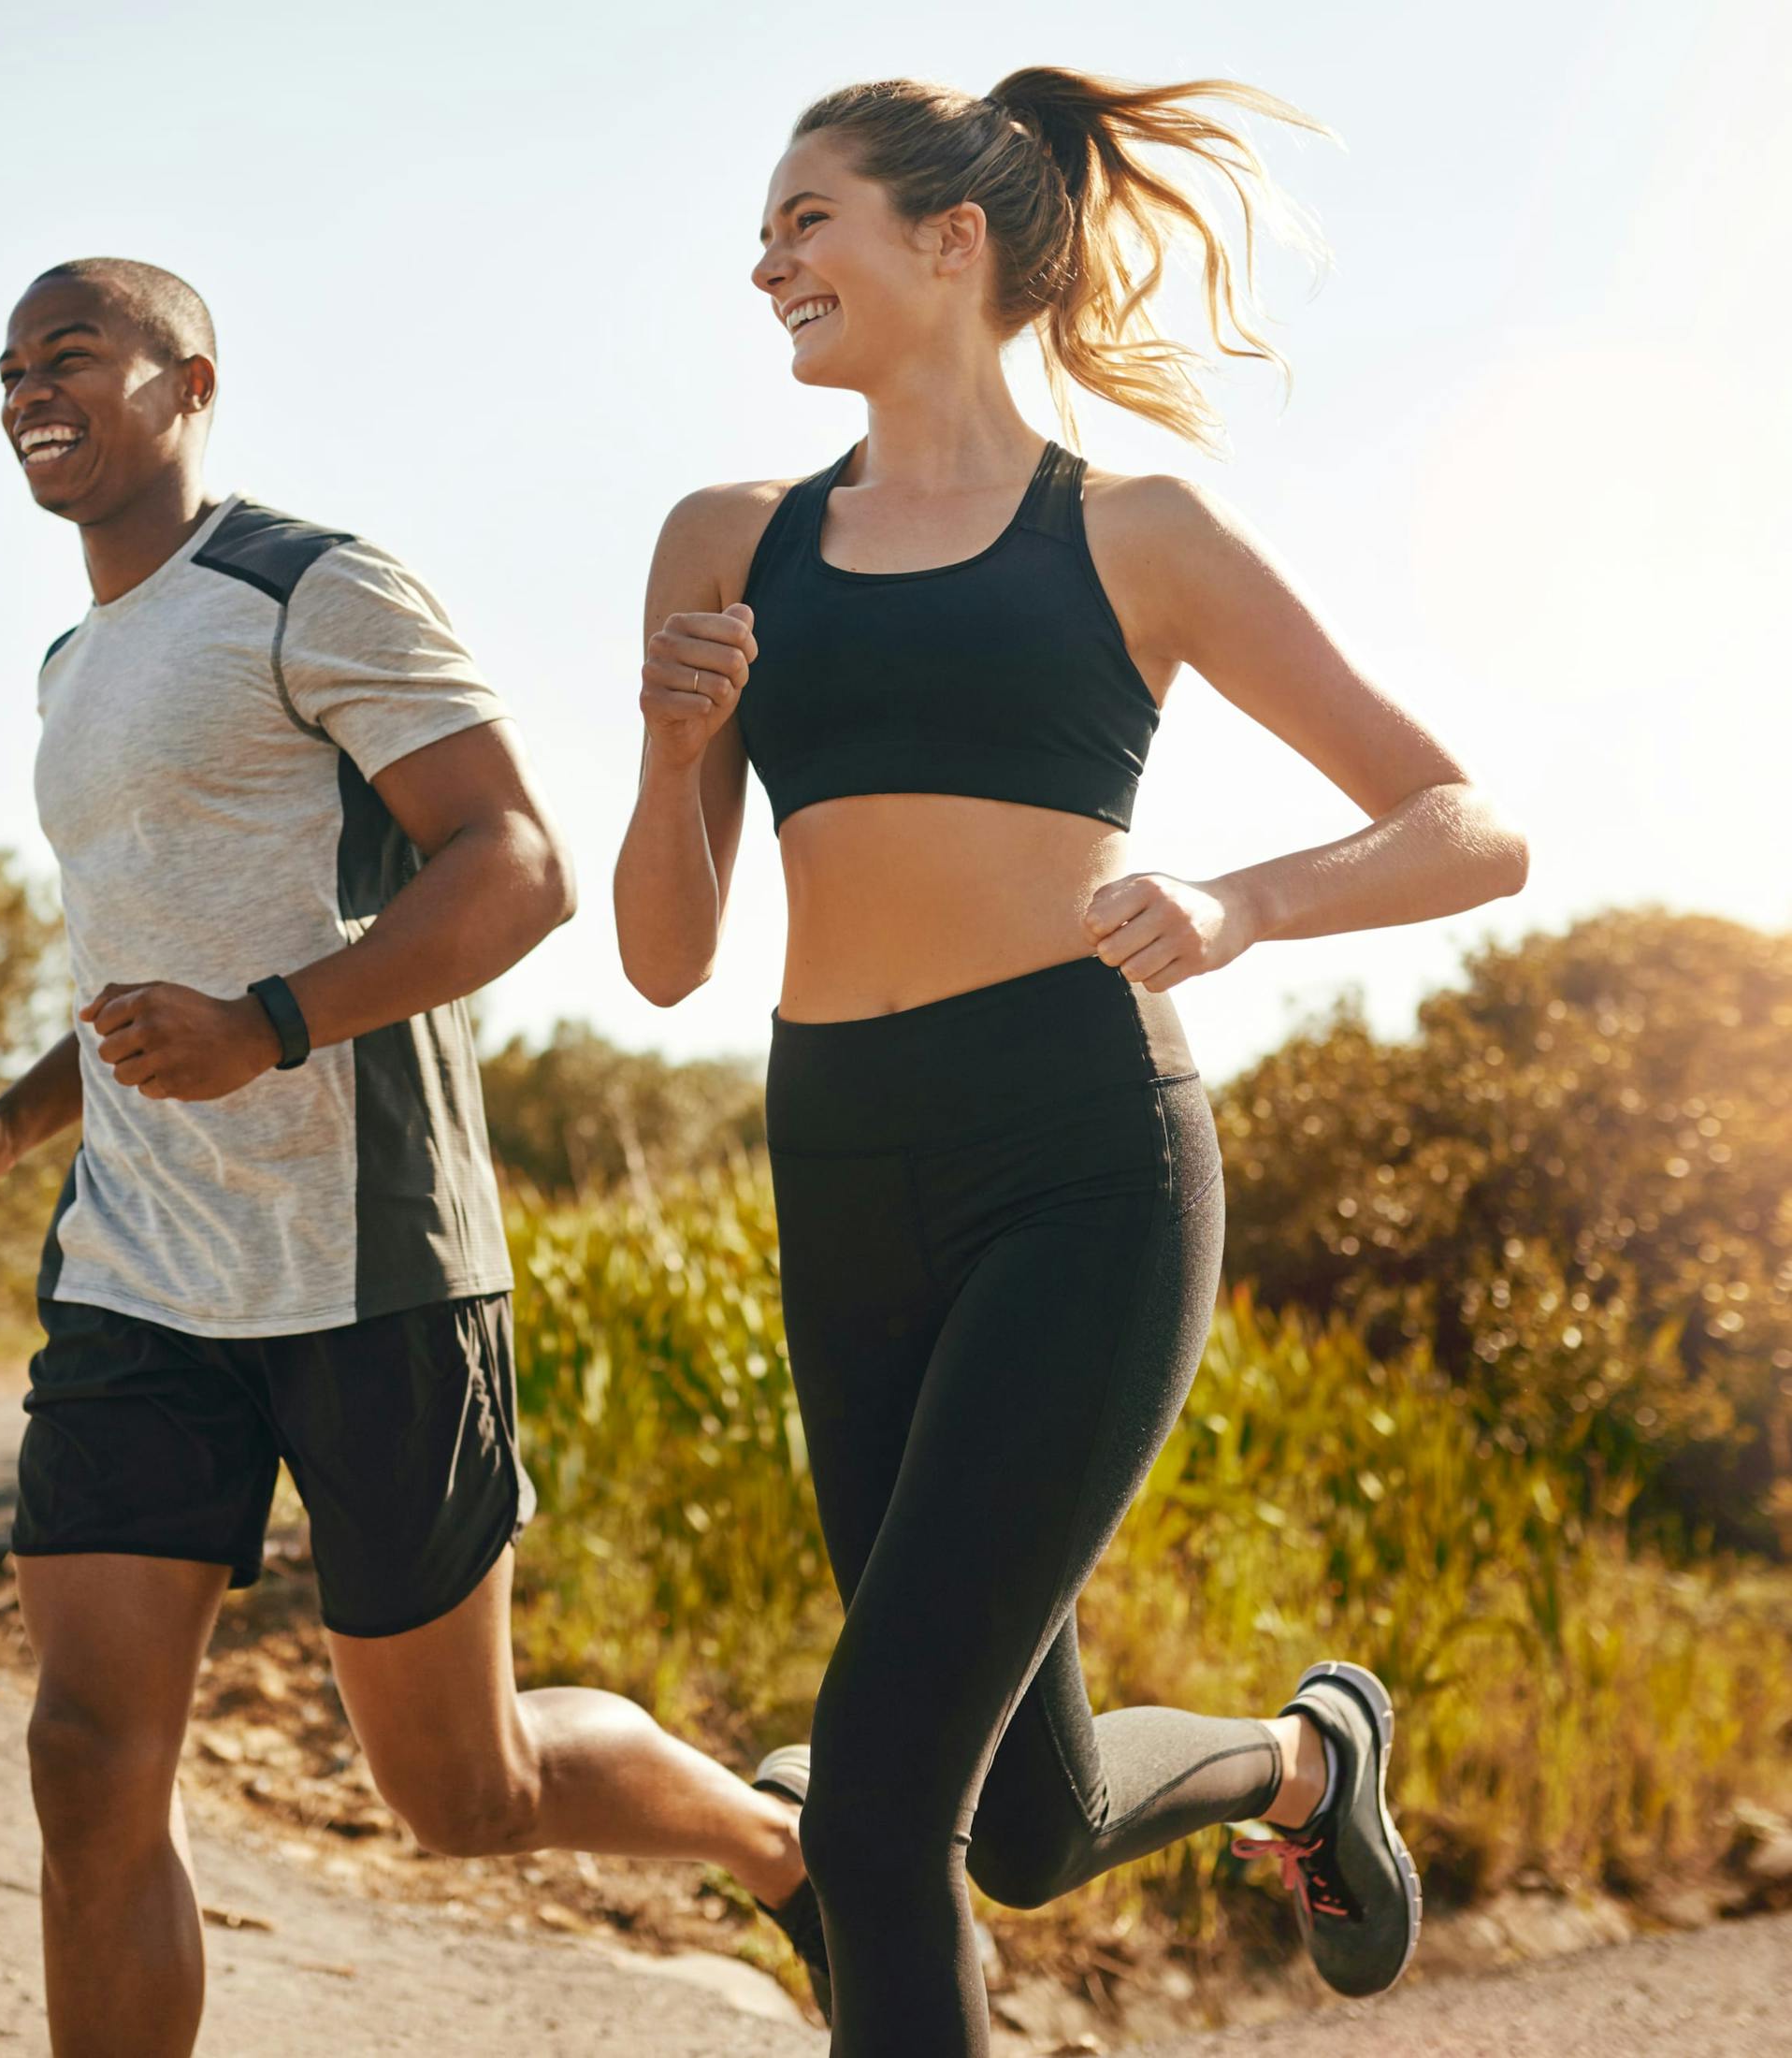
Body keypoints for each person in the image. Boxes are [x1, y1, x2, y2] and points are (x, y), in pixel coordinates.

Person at [614, 67, 1529, 2056]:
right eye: (764, 228)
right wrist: (678, 748)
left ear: (949, 244)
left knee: (866, 1800)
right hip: (838, 1159)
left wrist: (1239, 906)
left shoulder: (1134, 533)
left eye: (805, 219)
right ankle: (1306, 1760)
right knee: (1019, 1824)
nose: (764, 260)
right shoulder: (724, 536)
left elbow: (1464, 822)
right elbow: (665, 955)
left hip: (1076, 1155)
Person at [0, 256, 807, 2058]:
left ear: (187, 379)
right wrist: (9, 1126)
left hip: (371, 1262)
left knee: (462, 1794)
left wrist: (277, 1025)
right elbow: (127, 975)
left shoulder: (313, 587)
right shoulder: (75, 663)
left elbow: (516, 865)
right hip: (139, 1270)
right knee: (85, 1764)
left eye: (70, 353)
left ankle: (786, 1848)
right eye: (6, 369)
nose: (26, 390)